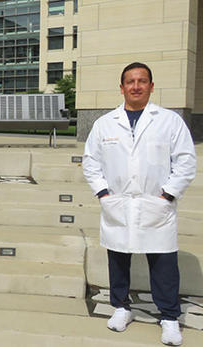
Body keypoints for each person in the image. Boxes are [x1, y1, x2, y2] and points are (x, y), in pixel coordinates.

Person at [83, 62, 197, 346]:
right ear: (121, 87)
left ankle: (169, 318)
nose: (136, 86)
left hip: (156, 204)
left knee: (163, 262)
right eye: (130, 81)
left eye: (142, 81)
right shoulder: (105, 124)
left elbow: (185, 162)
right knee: (118, 259)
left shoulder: (169, 121)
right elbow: (91, 162)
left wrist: (167, 195)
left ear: (151, 86)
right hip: (117, 204)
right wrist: (104, 194)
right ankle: (121, 308)